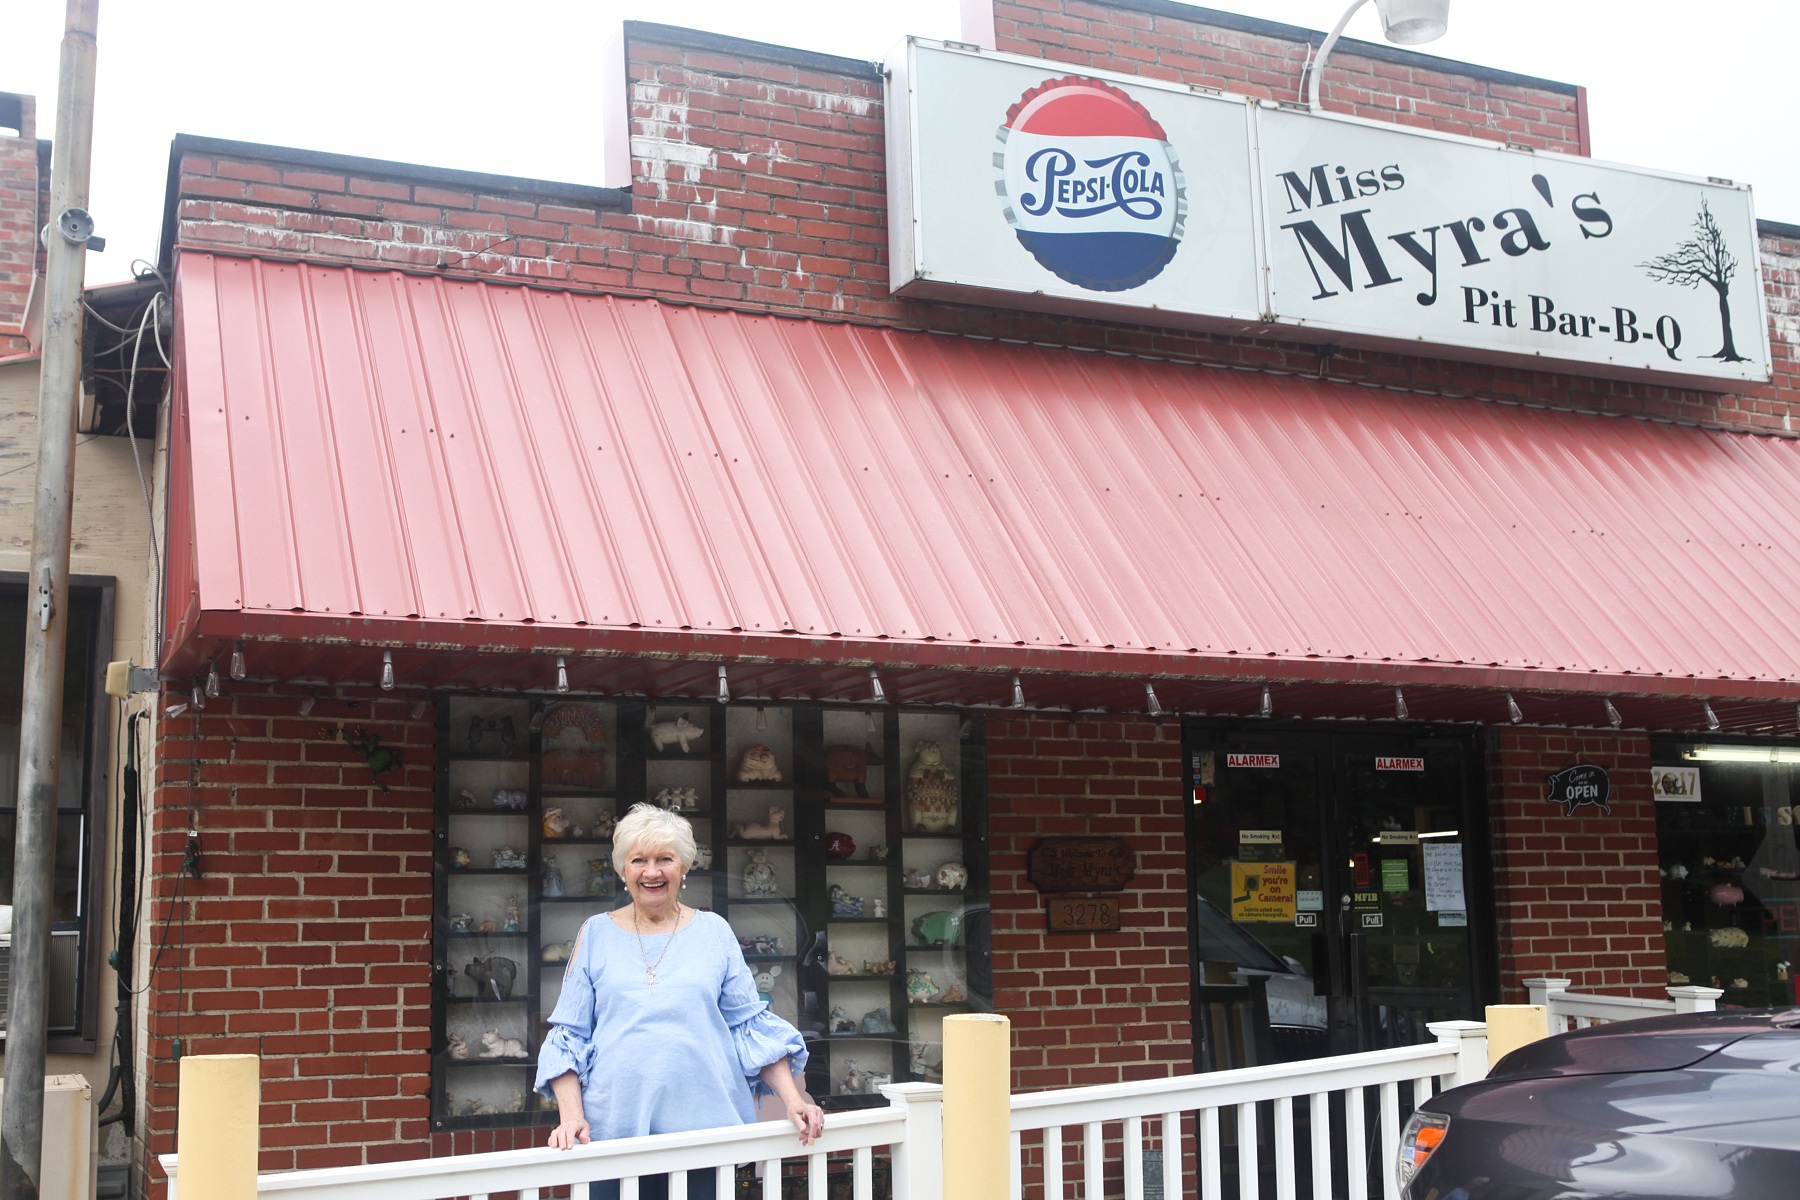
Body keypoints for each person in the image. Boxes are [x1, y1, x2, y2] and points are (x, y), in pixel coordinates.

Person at [537, 803, 824, 1199]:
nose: (651, 872)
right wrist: (571, 1118)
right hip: (611, 1132)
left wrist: (793, 1100)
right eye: (638, 860)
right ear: (623, 869)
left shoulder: (715, 932)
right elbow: (569, 1034)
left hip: (703, 1132)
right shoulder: (595, 934)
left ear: (684, 867)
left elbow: (748, 1026)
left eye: (664, 859)